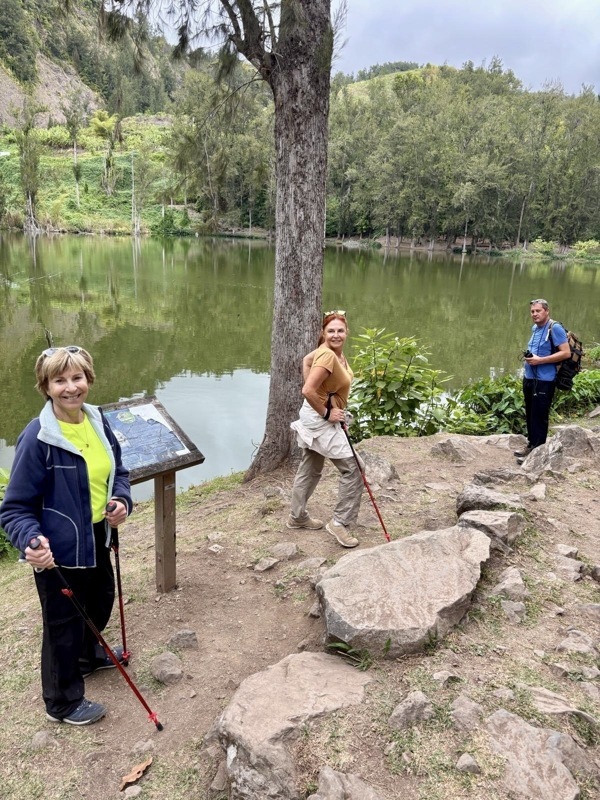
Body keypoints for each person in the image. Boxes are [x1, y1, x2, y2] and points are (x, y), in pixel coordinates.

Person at [0, 346, 132, 726]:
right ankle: (62, 702)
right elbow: (14, 509)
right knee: (62, 626)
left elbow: (119, 472)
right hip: (56, 551)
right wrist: (30, 541)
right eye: (59, 380)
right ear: (46, 387)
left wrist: (121, 501)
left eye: (77, 378)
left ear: (89, 380)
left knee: (100, 602)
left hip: (97, 536)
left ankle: (89, 657)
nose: (71, 387)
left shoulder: (98, 421)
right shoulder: (37, 437)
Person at [288, 311, 364, 548]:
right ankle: (339, 523)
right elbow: (307, 390)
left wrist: (327, 403)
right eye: (331, 331)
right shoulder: (328, 355)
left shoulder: (334, 353)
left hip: (316, 415)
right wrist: (326, 411)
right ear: (323, 333)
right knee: (355, 469)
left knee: (311, 466)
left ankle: (297, 517)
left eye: (340, 330)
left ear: (347, 332)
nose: (336, 335)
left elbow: (306, 361)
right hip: (320, 419)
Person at [515, 299, 570, 463]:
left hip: (545, 379)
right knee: (531, 413)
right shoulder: (536, 328)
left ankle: (537, 454)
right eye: (532, 311)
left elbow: (566, 353)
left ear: (547, 311)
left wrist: (540, 360)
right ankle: (531, 445)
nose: (534, 314)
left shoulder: (555, 328)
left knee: (540, 415)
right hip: (530, 377)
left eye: (538, 311)